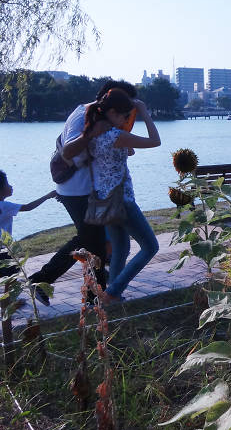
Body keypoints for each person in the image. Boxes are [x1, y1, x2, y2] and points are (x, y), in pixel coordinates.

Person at [28, 79, 137, 305]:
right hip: (76, 190)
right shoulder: (82, 115)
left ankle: (87, 291)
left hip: (91, 189)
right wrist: (92, 134)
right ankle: (79, 291)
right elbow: (69, 151)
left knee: (90, 241)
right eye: (125, 105)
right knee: (92, 243)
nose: (128, 112)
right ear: (110, 97)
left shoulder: (105, 117)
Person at [84, 88, 161, 305]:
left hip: (103, 200)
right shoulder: (115, 135)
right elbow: (155, 140)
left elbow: (122, 154)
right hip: (122, 200)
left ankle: (112, 297)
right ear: (115, 113)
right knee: (150, 247)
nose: (127, 119)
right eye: (126, 115)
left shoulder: (94, 136)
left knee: (121, 248)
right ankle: (113, 291)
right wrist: (144, 112)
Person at [0, 170, 57, 276]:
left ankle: (6, 292)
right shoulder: (4, 206)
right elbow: (28, 207)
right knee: (11, 274)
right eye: (7, 184)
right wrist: (47, 196)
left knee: (7, 274)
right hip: (3, 247)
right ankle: (8, 292)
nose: (11, 186)